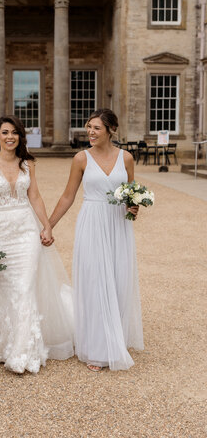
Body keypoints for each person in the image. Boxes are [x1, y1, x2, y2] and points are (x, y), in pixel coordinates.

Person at [0, 115, 74, 374]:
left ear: (20, 136)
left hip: (26, 230)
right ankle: (5, 345)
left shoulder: (28, 164)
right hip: (0, 230)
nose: (10, 137)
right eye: (5, 132)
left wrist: (46, 225)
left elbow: (34, 195)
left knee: (24, 287)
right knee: (5, 291)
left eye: (14, 132)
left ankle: (23, 352)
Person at [49, 109, 144, 372]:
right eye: (88, 127)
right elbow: (68, 196)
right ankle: (97, 348)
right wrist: (48, 225)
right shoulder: (81, 158)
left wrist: (133, 207)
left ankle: (116, 338)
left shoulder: (126, 158)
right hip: (92, 223)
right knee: (94, 280)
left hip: (118, 226)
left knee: (118, 279)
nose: (90, 132)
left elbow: (131, 194)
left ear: (111, 130)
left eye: (96, 128)